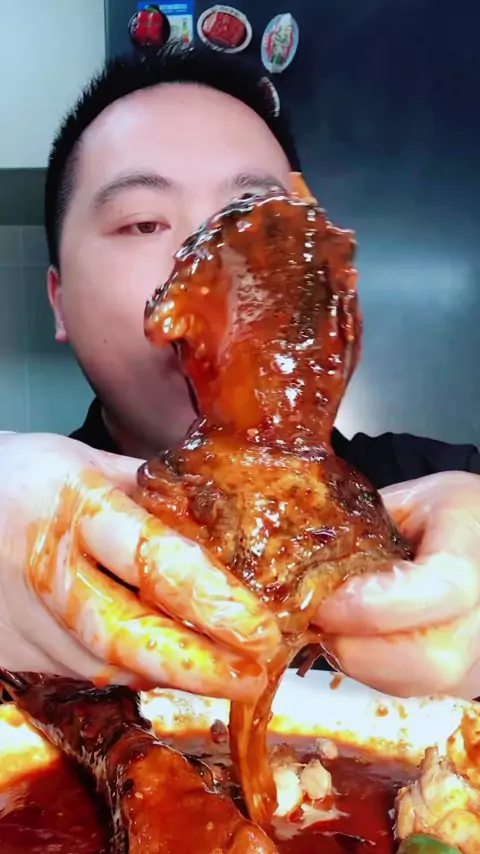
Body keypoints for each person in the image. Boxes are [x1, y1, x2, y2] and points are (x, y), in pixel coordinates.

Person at [1, 45, 480, 703]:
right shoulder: (15, 535)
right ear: (59, 300)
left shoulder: (438, 494)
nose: (214, 260)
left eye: (258, 221)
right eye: (143, 222)